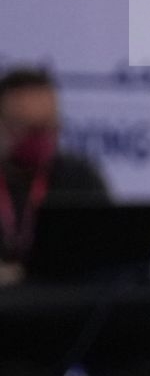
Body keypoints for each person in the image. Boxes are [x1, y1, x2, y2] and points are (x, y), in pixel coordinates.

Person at [0, 67, 109, 278]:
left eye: (48, 126)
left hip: (62, 305)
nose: (40, 139)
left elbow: (108, 257)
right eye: (28, 128)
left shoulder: (79, 179)